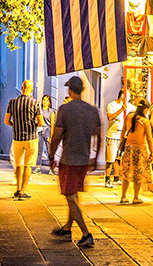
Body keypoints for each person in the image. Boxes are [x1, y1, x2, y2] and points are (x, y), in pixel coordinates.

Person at [49, 76, 102, 248]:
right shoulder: (92, 110)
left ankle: (86, 234)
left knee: (70, 197)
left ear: (70, 90)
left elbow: (57, 135)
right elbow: (98, 135)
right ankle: (67, 228)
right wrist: (94, 157)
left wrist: (51, 155)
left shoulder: (65, 109)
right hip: (84, 158)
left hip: (69, 159)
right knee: (74, 194)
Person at [4, 80, 43, 199]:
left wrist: (15, 125)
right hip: (31, 138)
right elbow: (40, 122)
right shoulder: (35, 103)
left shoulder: (12, 102)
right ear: (31, 90)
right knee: (28, 165)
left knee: (18, 164)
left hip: (17, 138)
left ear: (21, 88)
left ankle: (17, 188)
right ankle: (23, 191)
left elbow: (6, 121)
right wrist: (31, 126)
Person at [119, 99, 153, 204]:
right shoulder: (145, 121)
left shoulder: (129, 117)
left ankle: (123, 196)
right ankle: (135, 197)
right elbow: (149, 138)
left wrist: (123, 144)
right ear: (145, 109)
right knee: (138, 174)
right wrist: (151, 152)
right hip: (140, 149)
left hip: (129, 147)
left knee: (127, 172)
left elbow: (123, 132)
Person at [104, 89, 126, 188]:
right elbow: (110, 117)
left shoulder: (128, 106)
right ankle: (107, 179)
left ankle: (116, 177)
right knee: (110, 159)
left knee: (118, 158)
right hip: (112, 135)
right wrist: (121, 109)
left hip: (121, 135)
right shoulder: (112, 105)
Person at [37, 94, 55, 168]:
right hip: (40, 130)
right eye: (44, 100)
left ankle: (51, 167)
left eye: (46, 100)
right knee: (39, 149)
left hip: (47, 130)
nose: (45, 102)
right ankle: (38, 166)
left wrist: (52, 135)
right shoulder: (39, 110)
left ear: (49, 102)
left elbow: (52, 124)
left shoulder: (51, 111)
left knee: (49, 150)